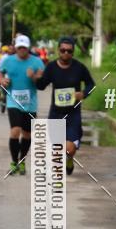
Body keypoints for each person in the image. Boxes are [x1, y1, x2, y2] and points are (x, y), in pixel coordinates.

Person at [35, 36, 95, 175]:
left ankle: (69, 159)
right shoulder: (51, 67)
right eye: (63, 50)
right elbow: (42, 86)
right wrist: (37, 78)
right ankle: (57, 176)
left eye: (69, 51)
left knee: (69, 148)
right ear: (58, 51)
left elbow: (91, 85)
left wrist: (83, 93)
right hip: (56, 112)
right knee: (56, 147)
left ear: (73, 52)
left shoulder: (79, 68)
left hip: (73, 113)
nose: (66, 53)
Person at [0, 35, 43, 175]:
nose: (22, 50)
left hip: (30, 104)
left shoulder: (37, 62)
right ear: (16, 48)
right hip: (13, 101)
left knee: (27, 134)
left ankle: (22, 161)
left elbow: (42, 81)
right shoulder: (7, 60)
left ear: (28, 48)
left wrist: (34, 77)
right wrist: (2, 80)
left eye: (24, 47)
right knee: (15, 130)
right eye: (19, 47)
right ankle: (14, 162)